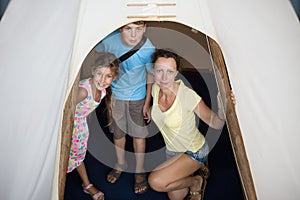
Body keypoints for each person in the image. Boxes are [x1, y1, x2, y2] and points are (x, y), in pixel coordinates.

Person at [148, 49, 236, 200]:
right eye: (159, 71)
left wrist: (223, 109)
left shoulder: (188, 96)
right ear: (153, 71)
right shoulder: (155, 89)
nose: (163, 77)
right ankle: (194, 177)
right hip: (172, 153)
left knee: (155, 182)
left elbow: (215, 123)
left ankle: (197, 180)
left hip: (194, 151)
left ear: (176, 73)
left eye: (170, 72)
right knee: (176, 197)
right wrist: (148, 109)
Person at [95, 21, 155, 194]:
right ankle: (121, 163)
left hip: (137, 96)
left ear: (144, 28)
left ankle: (139, 169)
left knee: (138, 134)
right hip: (116, 95)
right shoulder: (110, 40)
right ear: (121, 27)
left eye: (138, 29)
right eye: (128, 28)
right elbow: (98, 53)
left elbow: (150, 74)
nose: (134, 35)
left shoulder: (147, 48)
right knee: (118, 132)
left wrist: (147, 102)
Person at [67, 52, 119, 200]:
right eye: (99, 73)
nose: (102, 80)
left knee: (78, 156)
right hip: (70, 128)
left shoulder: (102, 90)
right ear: (92, 71)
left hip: (80, 126)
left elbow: (86, 110)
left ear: (114, 78)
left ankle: (87, 185)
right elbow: (65, 113)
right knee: (68, 157)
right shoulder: (83, 91)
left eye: (108, 76)